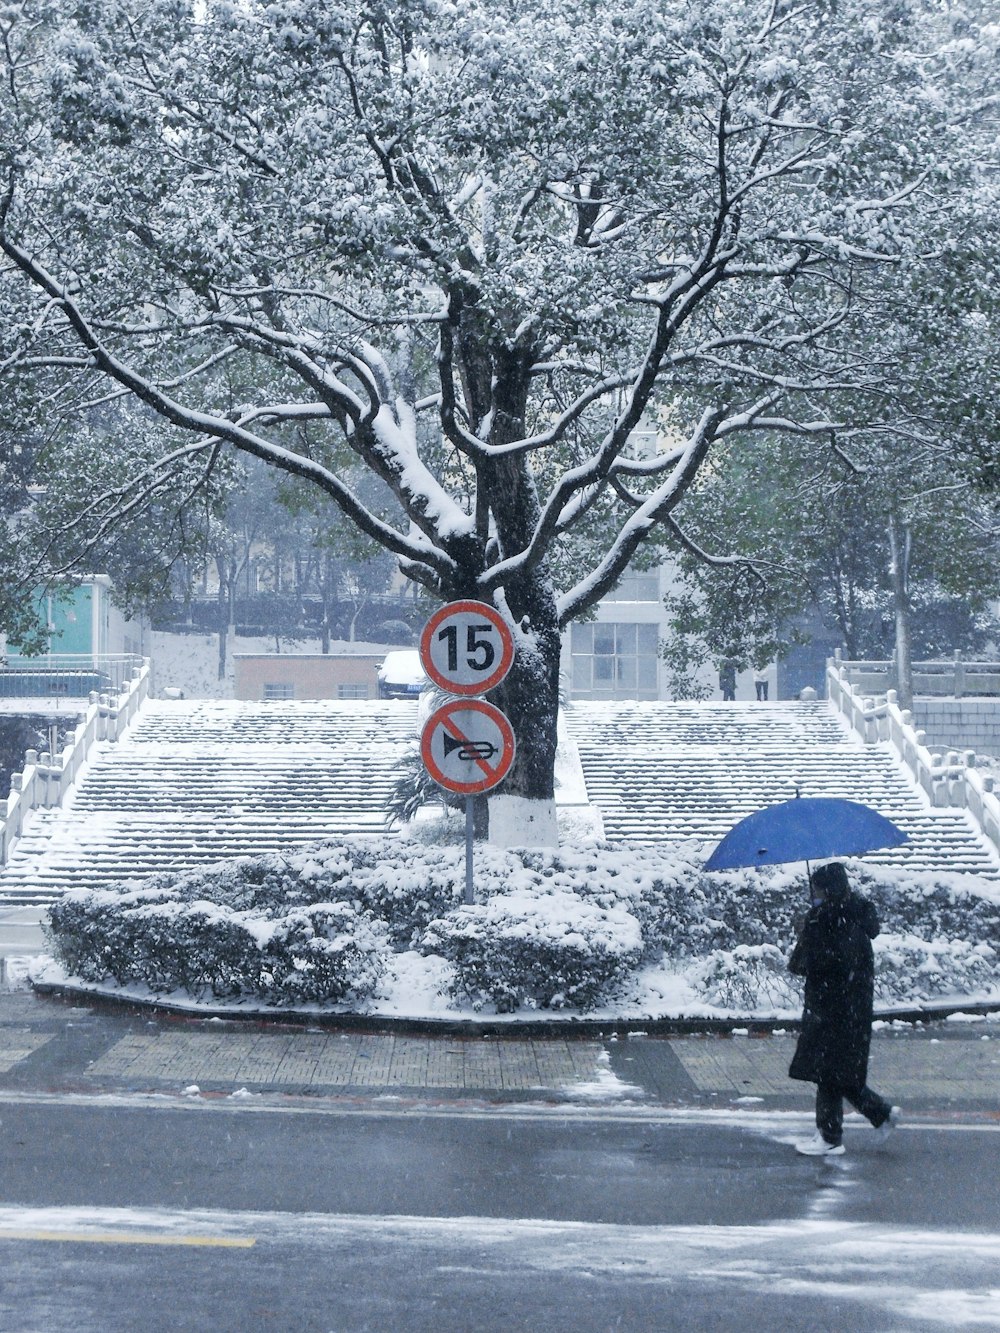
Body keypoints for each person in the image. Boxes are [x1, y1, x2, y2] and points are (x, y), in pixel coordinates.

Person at [787, 861, 900, 1156]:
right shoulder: (855, 917)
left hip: (831, 1010)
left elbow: (806, 965)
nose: (815, 894)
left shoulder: (827, 921)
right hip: (852, 1010)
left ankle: (830, 1137)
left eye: (818, 890)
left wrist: (807, 931)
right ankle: (880, 1114)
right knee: (839, 1074)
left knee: (829, 1074)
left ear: (827, 890)